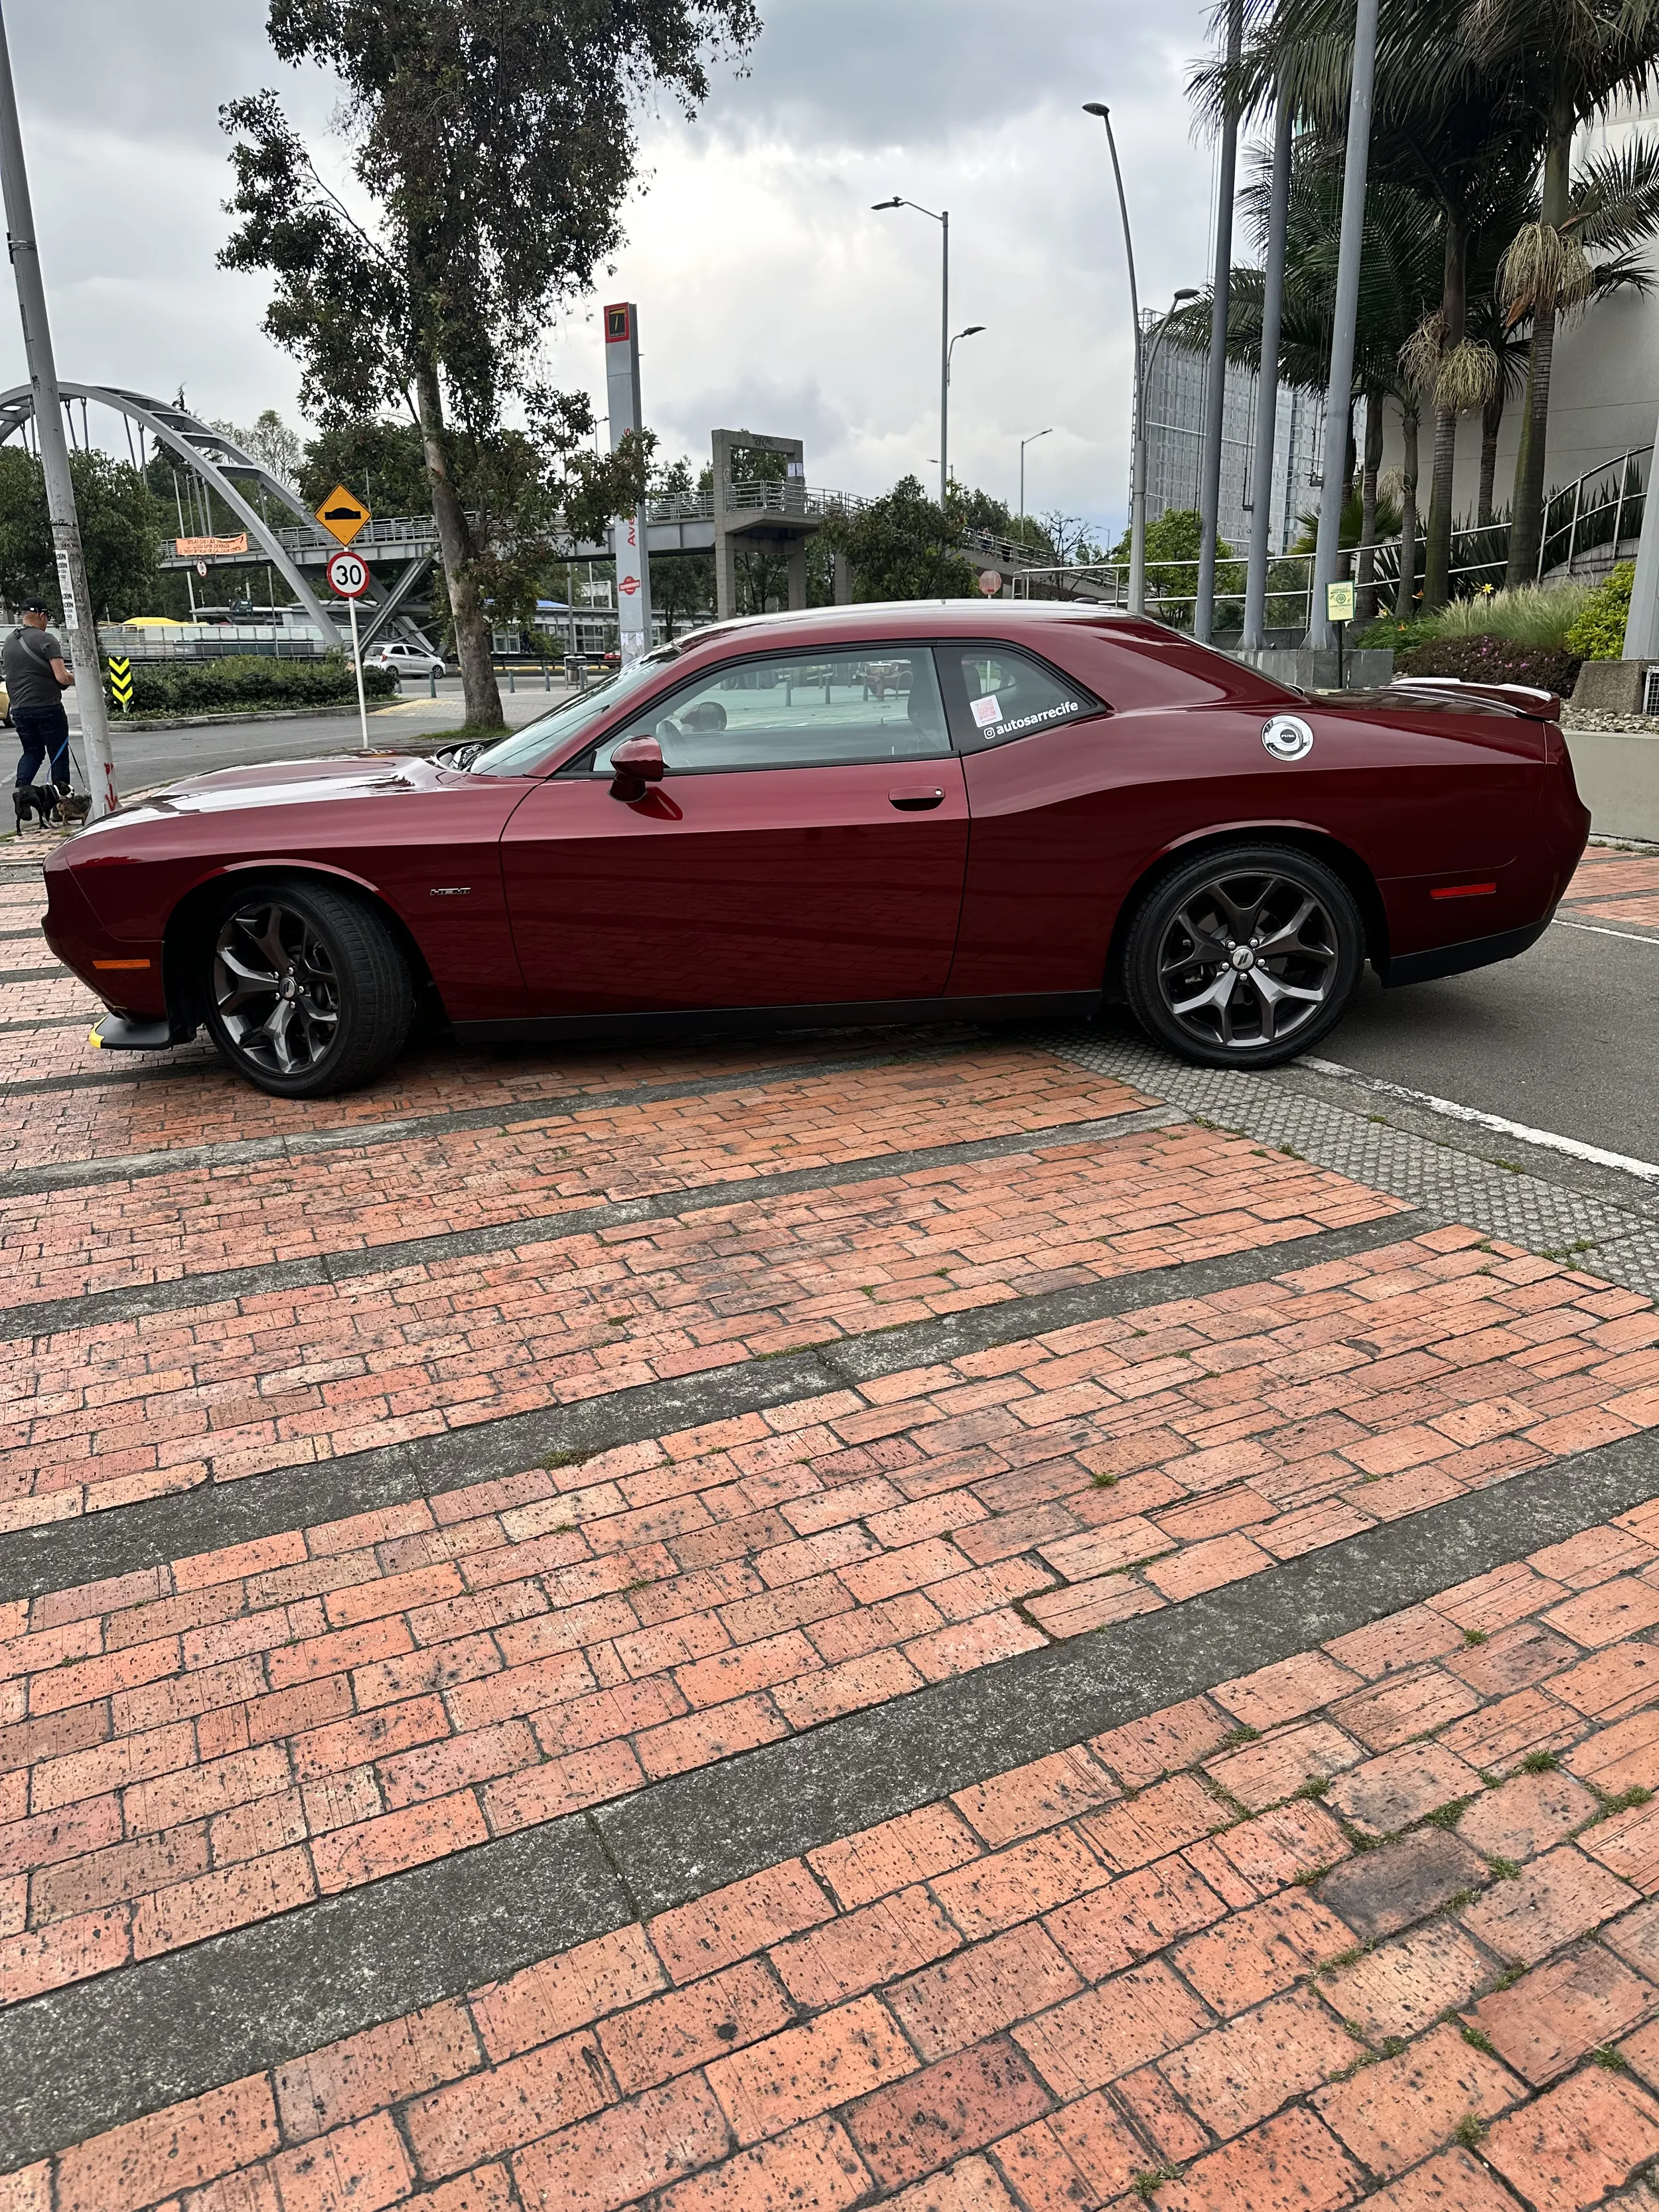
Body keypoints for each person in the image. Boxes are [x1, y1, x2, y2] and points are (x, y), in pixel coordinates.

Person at [7, 599, 74, 797]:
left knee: (32, 752)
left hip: (19, 709)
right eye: (48, 617)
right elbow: (62, 677)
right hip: (47, 707)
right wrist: (74, 677)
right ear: (42, 616)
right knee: (58, 755)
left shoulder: (9, 642)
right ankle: (59, 803)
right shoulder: (47, 639)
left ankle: (21, 793)